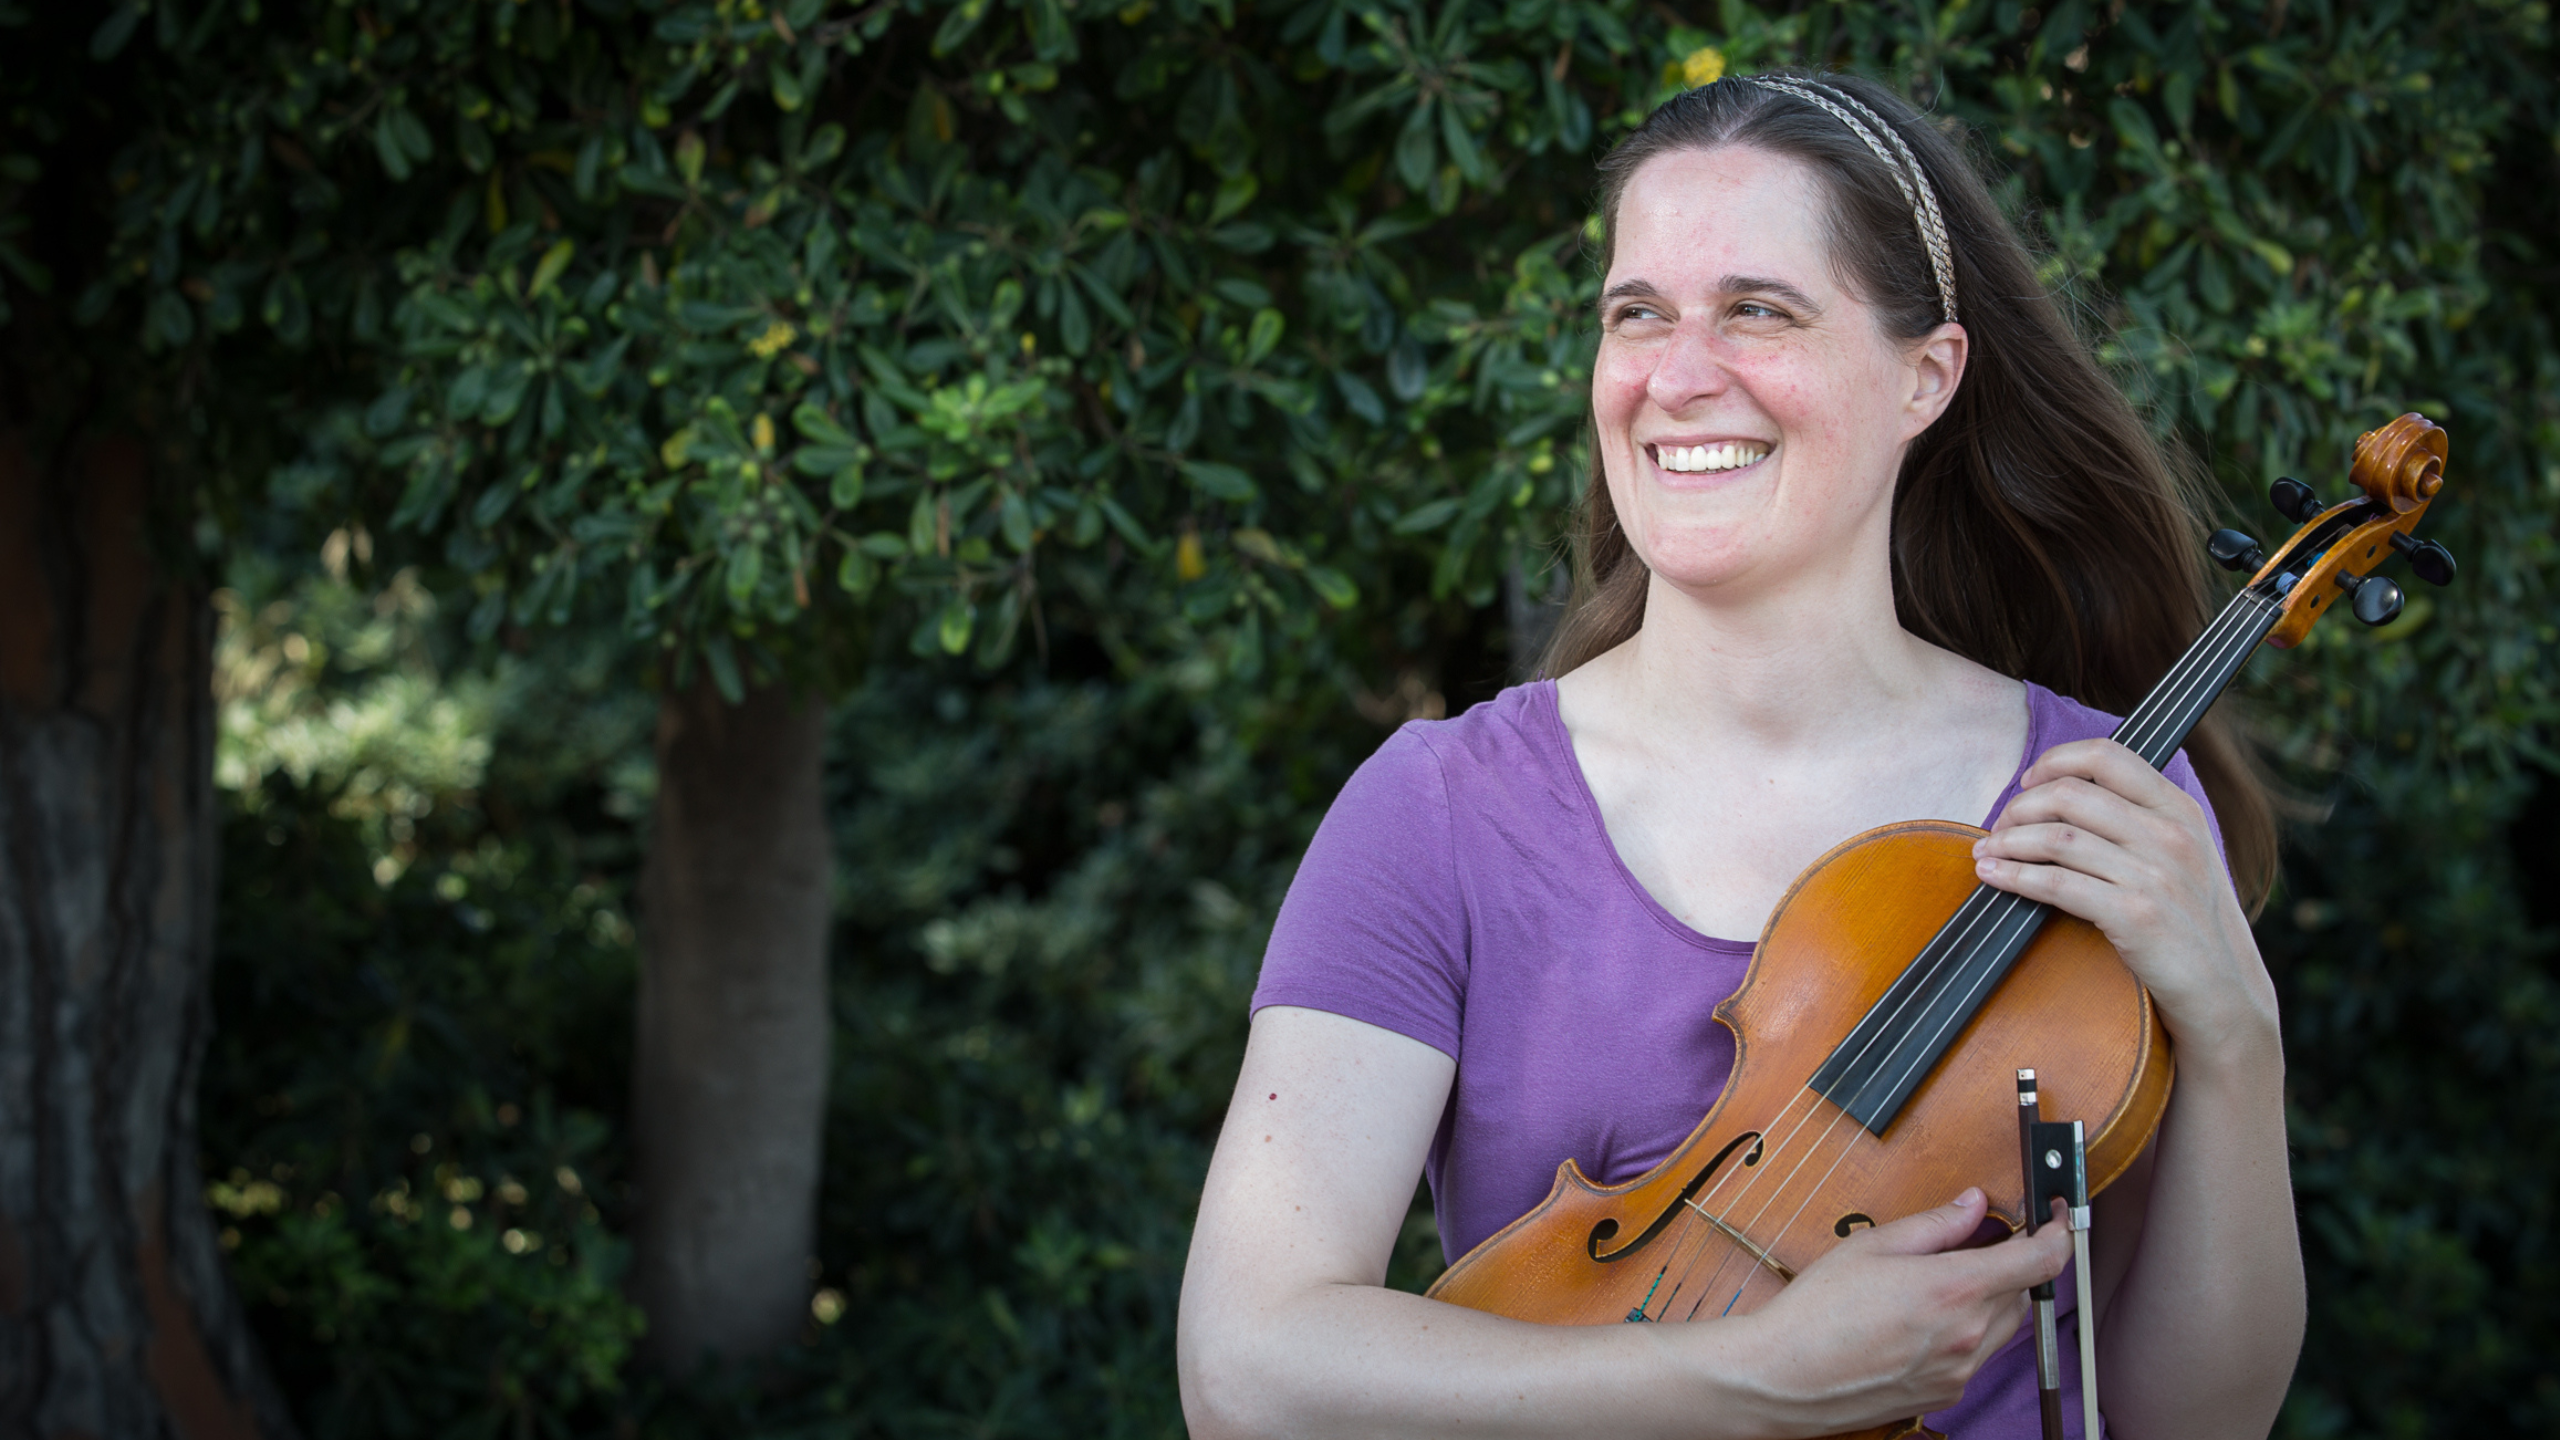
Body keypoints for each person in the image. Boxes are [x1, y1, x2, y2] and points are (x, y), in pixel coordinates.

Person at [1176, 70, 2305, 1439]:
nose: (1678, 374)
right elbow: (1248, 1368)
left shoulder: (2098, 802)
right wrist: (1757, 1378)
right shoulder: (1440, 814)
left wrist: (2239, 1041)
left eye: (1758, 311)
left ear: (1924, 376)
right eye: (1636, 314)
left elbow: (2197, 1424)